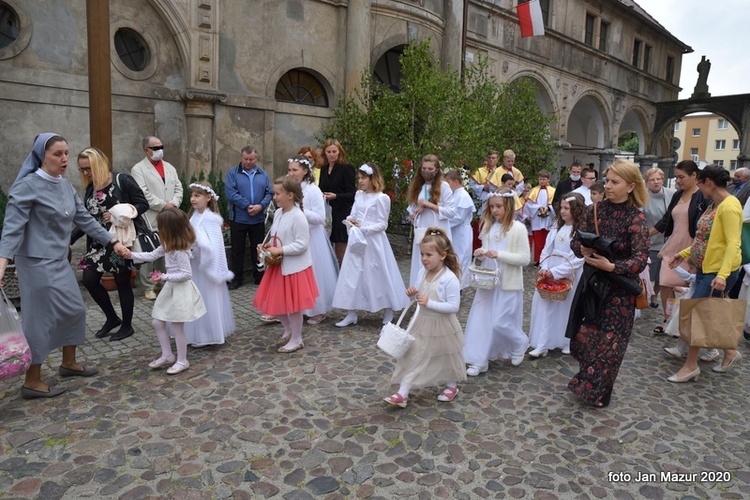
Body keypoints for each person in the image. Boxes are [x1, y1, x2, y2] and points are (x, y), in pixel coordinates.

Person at [0, 134, 129, 399]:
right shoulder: (27, 187)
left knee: (75, 309)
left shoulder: (65, 186)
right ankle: (32, 381)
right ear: (42, 156)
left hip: (59, 261)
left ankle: (68, 364)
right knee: (39, 320)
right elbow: (11, 231)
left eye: (66, 153)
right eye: (58, 154)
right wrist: (1, 265)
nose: (65, 159)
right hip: (35, 263)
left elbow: (86, 220)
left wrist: (113, 241)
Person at [566, 159, 649, 408]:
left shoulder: (636, 218)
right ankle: (587, 378)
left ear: (631, 186)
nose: (608, 186)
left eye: (615, 182)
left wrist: (613, 266)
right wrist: (583, 248)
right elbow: (574, 243)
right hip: (592, 285)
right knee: (584, 336)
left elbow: (640, 259)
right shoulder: (595, 210)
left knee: (610, 343)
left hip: (620, 291)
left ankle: (598, 392)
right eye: (608, 181)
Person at [667, 165, 743, 382]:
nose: (698, 187)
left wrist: (722, 274)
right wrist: (682, 254)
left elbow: (733, 244)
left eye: (699, 183)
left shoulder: (729, 206)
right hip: (706, 269)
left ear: (707, 181)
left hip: (716, 272)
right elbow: (706, 240)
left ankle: (691, 365)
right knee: (707, 316)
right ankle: (730, 352)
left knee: (697, 317)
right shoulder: (714, 204)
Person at [71, 147, 148, 342]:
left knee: (122, 282)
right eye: (82, 170)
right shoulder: (91, 188)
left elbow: (142, 204)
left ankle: (127, 325)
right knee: (89, 280)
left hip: (120, 240)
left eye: (88, 168)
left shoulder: (122, 180)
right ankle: (112, 318)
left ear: (99, 164)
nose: (86, 173)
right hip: (97, 244)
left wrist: (119, 212)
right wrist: (70, 239)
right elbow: (88, 219)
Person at [384, 228, 466, 407]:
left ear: (442, 255)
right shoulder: (423, 272)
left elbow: (453, 307)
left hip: (442, 325)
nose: (424, 258)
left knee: (444, 355)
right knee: (414, 355)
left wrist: (429, 303)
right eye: (422, 254)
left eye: (429, 254)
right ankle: (402, 393)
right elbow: (419, 293)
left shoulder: (449, 279)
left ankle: (451, 385)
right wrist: (413, 293)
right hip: (421, 322)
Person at [124, 208, 206, 374]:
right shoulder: (167, 244)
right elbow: (151, 255)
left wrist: (163, 277)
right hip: (171, 288)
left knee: (177, 326)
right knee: (157, 321)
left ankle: (182, 360)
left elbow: (186, 274)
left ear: (168, 229)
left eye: (160, 227)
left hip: (181, 290)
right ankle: (167, 355)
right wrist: (130, 254)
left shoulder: (180, 250)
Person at [463, 188, 531, 376]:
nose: (494, 210)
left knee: (500, 322)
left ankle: (519, 342)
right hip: (488, 282)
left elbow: (525, 259)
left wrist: (500, 254)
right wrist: (482, 252)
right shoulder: (488, 226)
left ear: (508, 206)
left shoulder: (517, 229)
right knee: (481, 321)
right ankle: (479, 359)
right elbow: (487, 247)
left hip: (508, 283)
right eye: (492, 206)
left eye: (498, 206)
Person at [332, 163, 410, 326]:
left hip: (374, 242)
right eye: (359, 178)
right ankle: (351, 312)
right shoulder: (359, 195)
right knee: (352, 274)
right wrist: (351, 220)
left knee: (379, 274)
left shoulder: (382, 198)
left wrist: (364, 229)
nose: (360, 181)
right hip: (357, 241)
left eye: (363, 178)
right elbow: (353, 213)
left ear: (372, 178)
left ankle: (388, 309)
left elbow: (382, 224)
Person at [252, 176, 319, 353]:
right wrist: (267, 246)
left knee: (293, 307)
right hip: (278, 267)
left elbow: (302, 244)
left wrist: (280, 251)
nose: (274, 197)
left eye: (277, 193)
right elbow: (276, 235)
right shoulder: (280, 213)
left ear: (290, 195)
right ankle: (288, 329)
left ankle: (297, 338)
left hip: (294, 268)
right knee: (276, 304)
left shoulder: (298, 216)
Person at [527, 193, 586, 358]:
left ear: (576, 210)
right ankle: (542, 342)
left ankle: (565, 341)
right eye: (562, 208)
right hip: (551, 269)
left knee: (566, 309)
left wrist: (557, 272)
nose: (563, 211)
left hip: (568, 272)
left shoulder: (580, 231)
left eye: (567, 208)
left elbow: (579, 258)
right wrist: (545, 267)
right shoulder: (556, 226)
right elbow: (547, 249)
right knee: (546, 308)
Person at [650, 160, 705, 335]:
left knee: (689, 288)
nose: (677, 181)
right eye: (676, 177)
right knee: (665, 284)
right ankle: (668, 319)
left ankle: (683, 325)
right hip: (673, 245)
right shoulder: (677, 195)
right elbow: (666, 220)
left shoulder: (702, 196)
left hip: (692, 247)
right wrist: (643, 234)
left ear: (694, 176)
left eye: (681, 177)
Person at [287, 155, 339, 325]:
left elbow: (319, 217)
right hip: (295, 236)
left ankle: (317, 309)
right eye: (289, 170)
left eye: (295, 170)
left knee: (314, 272)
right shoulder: (291, 189)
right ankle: (299, 306)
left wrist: (300, 210)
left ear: (305, 171)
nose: (291, 173)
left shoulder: (313, 190)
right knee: (297, 272)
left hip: (312, 237)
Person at [131, 135, 184, 300]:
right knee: (150, 250)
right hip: (152, 216)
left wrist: (174, 203)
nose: (159, 150)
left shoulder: (169, 167)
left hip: (170, 215)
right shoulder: (138, 169)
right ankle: (148, 286)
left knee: (167, 248)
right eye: (155, 148)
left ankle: (161, 279)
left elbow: (178, 187)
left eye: (161, 146)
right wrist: (163, 205)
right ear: (146, 150)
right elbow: (142, 193)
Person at [185, 181, 235, 346]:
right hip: (194, 264)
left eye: (197, 195)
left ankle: (210, 333)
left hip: (206, 267)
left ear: (208, 198)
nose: (193, 199)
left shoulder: (211, 219)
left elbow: (215, 247)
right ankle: (196, 332)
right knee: (196, 298)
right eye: (192, 195)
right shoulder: (193, 217)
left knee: (208, 299)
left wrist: (199, 245)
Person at [224, 145, 273, 290]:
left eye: (251, 159)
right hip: (238, 218)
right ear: (241, 158)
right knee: (237, 250)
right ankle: (237, 279)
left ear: (256, 158)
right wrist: (247, 206)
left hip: (257, 218)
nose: (248, 162)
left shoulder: (262, 174)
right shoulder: (233, 173)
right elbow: (231, 193)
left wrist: (261, 206)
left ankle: (259, 277)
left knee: (257, 249)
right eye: (245, 159)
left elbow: (269, 193)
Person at [407, 154, 455, 286]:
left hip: (438, 229)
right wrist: (415, 212)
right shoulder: (417, 186)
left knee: (438, 259)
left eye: (430, 169)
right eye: (424, 169)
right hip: (422, 230)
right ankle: (419, 290)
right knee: (421, 260)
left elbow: (451, 212)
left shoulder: (444, 187)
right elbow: (411, 210)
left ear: (437, 170)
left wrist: (431, 205)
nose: (426, 172)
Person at [642, 167, 676, 309]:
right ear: (647, 182)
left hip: (669, 242)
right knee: (650, 272)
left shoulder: (673, 194)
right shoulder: (643, 197)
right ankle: (644, 295)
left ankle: (655, 295)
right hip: (650, 241)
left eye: (659, 179)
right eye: (652, 180)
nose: (656, 182)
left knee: (663, 274)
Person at [319, 139, 357, 264]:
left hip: (341, 212)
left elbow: (352, 194)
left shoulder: (346, 168)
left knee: (341, 250)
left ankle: (344, 277)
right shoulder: (324, 169)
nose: (331, 154)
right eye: (328, 151)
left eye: (334, 151)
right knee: (327, 248)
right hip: (327, 212)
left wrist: (336, 196)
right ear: (325, 153)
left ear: (339, 152)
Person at [445, 169, 476, 287]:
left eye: (448, 182)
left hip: (461, 232)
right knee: (453, 257)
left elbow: (459, 217)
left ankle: (459, 286)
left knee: (460, 258)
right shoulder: (454, 194)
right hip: (454, 231)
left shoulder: (463, 196)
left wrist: (443, 221)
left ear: (456, 182)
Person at [523, 170, 556, 265]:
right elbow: (529, 204)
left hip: (548, 218)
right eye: (540, 179)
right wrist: (538, 207)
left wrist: (548, 208)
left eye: (544, 179)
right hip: (537, 218)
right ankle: (538, 259)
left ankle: (546, 259)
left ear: (548, 179)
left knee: (547, 239)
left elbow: (555, 203)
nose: (542, 181)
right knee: (538, 240)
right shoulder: (533, 190)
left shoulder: (553, 191)